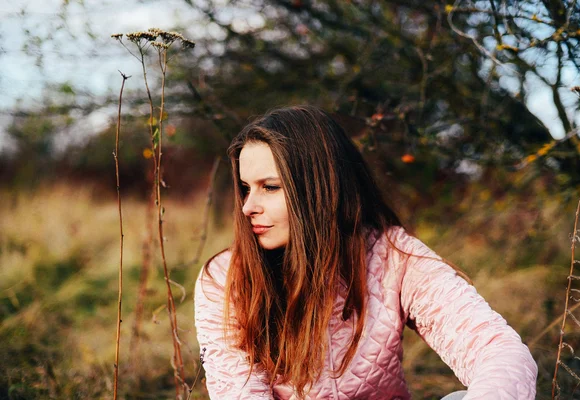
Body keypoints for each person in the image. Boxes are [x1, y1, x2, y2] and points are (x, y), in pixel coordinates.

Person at [194, 105, 537, 399]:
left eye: (269, 187)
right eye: (244, 188)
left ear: (320, 188)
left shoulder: (393, 257)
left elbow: (498, 350)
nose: (247, 207)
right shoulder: (225, 279)